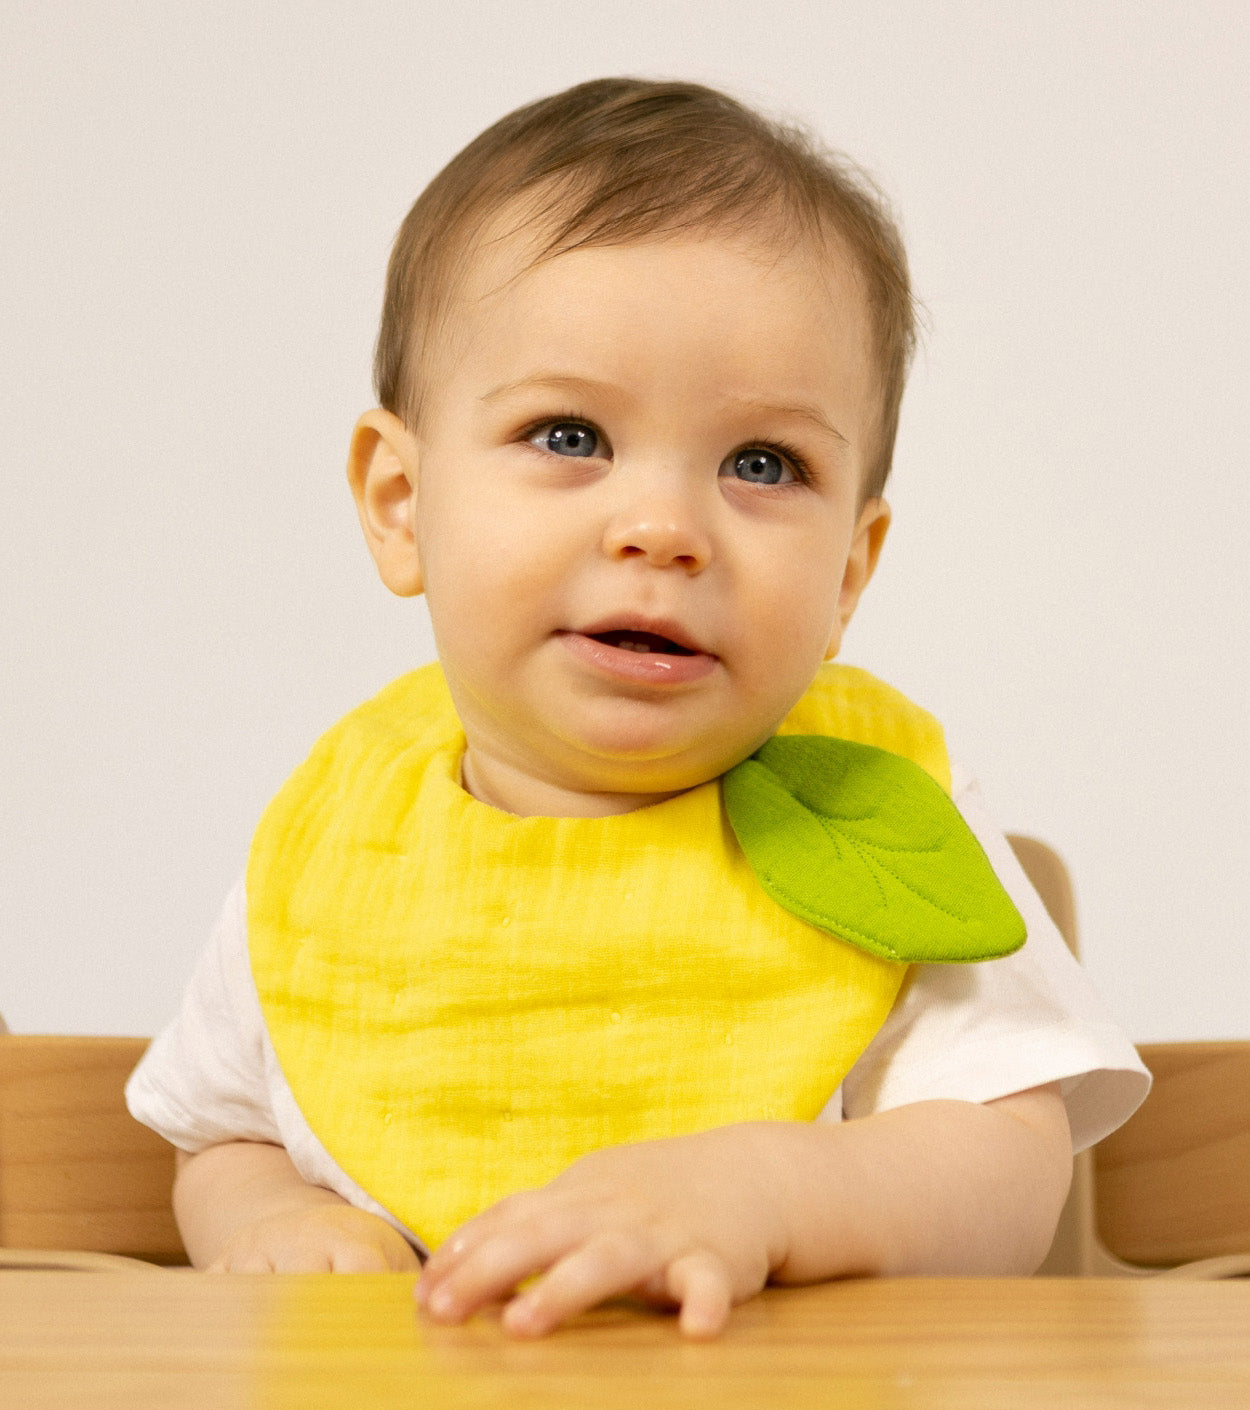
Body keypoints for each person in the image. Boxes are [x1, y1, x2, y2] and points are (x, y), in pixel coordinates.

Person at [127, 77, 1149, 1339]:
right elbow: (222, 1132)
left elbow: (1007, 1167)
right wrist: (277, 1219)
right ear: (400, 502)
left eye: (762, 463)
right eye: (568, 435)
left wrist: (767, 1189)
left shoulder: (886, 818)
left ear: (846, 572)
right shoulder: (346, 836)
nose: (662, 527)